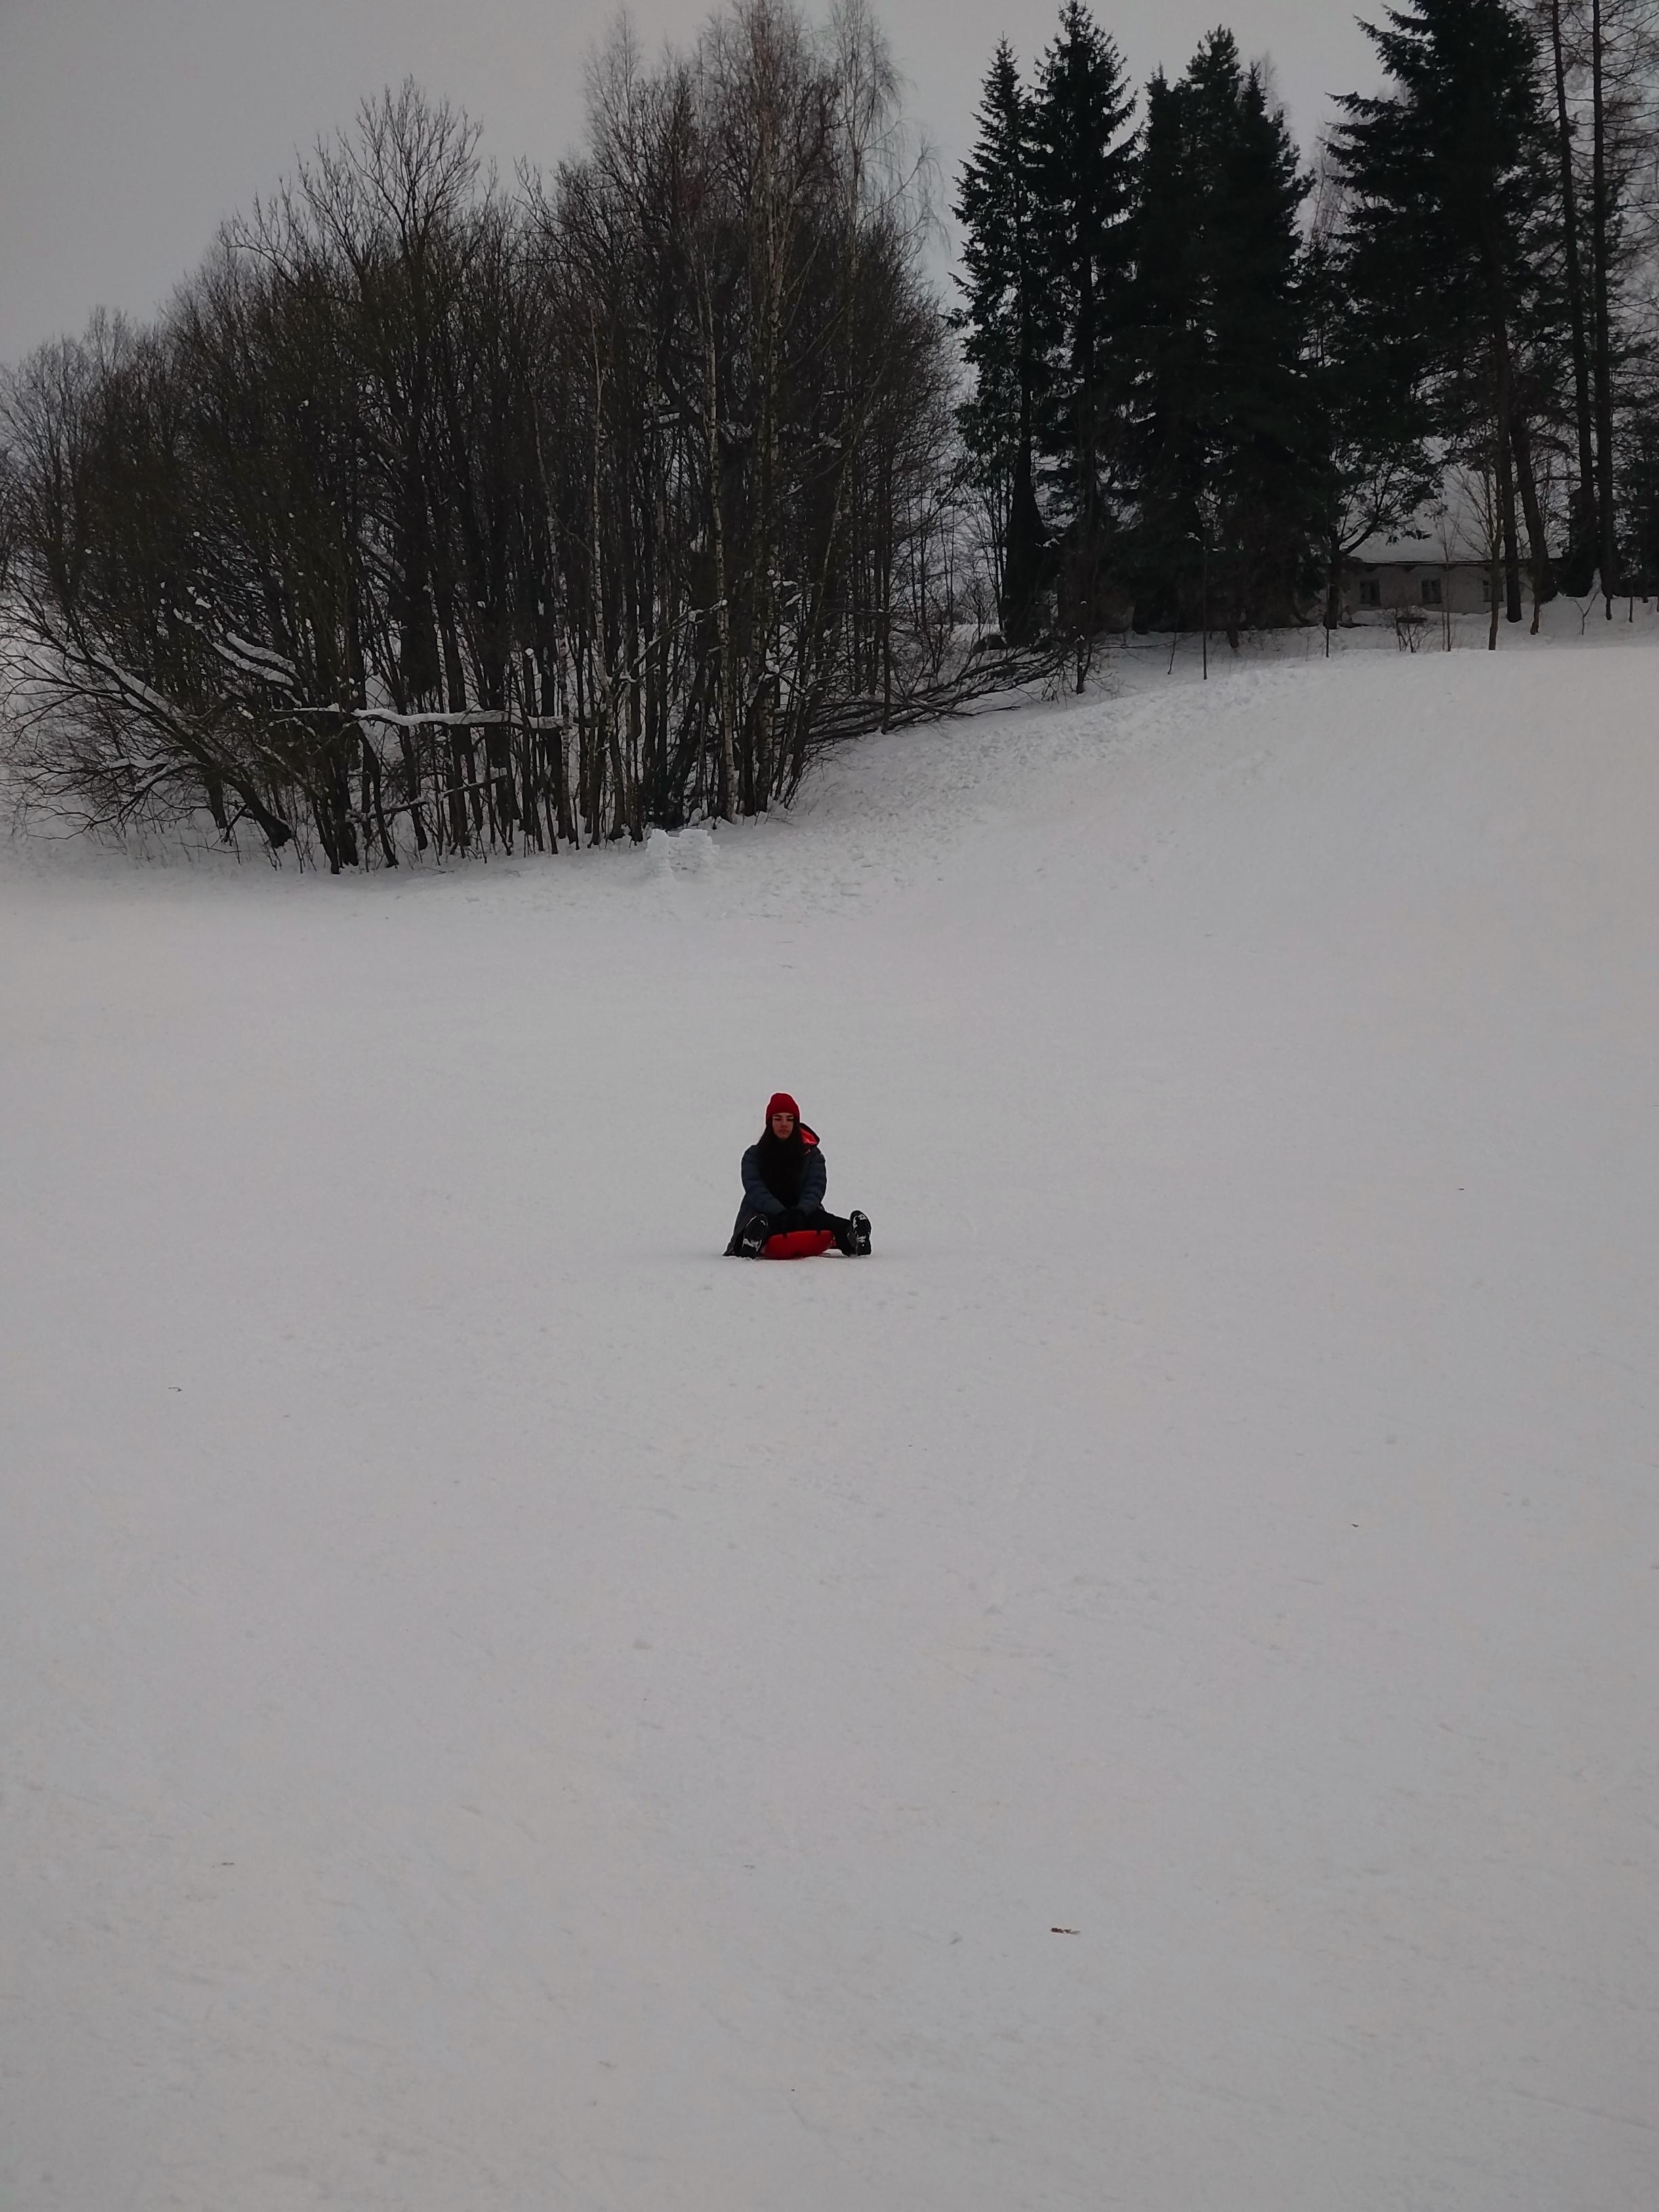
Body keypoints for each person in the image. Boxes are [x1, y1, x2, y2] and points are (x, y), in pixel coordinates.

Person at [725, 1093, 872, 1258]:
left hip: (804, 1213)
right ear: (770, 1122)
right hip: (766, 1214)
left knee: (823, 1221)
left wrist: (802, 1211)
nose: (784, 1124)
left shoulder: (811, 1154)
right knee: (763, 1224)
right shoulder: (753, 1155)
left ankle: (854, 1235)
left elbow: (815, 1187)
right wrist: (780, 1212)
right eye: (778, 1119)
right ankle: (751, 1239)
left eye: (789, 1119)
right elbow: (755, 1190)